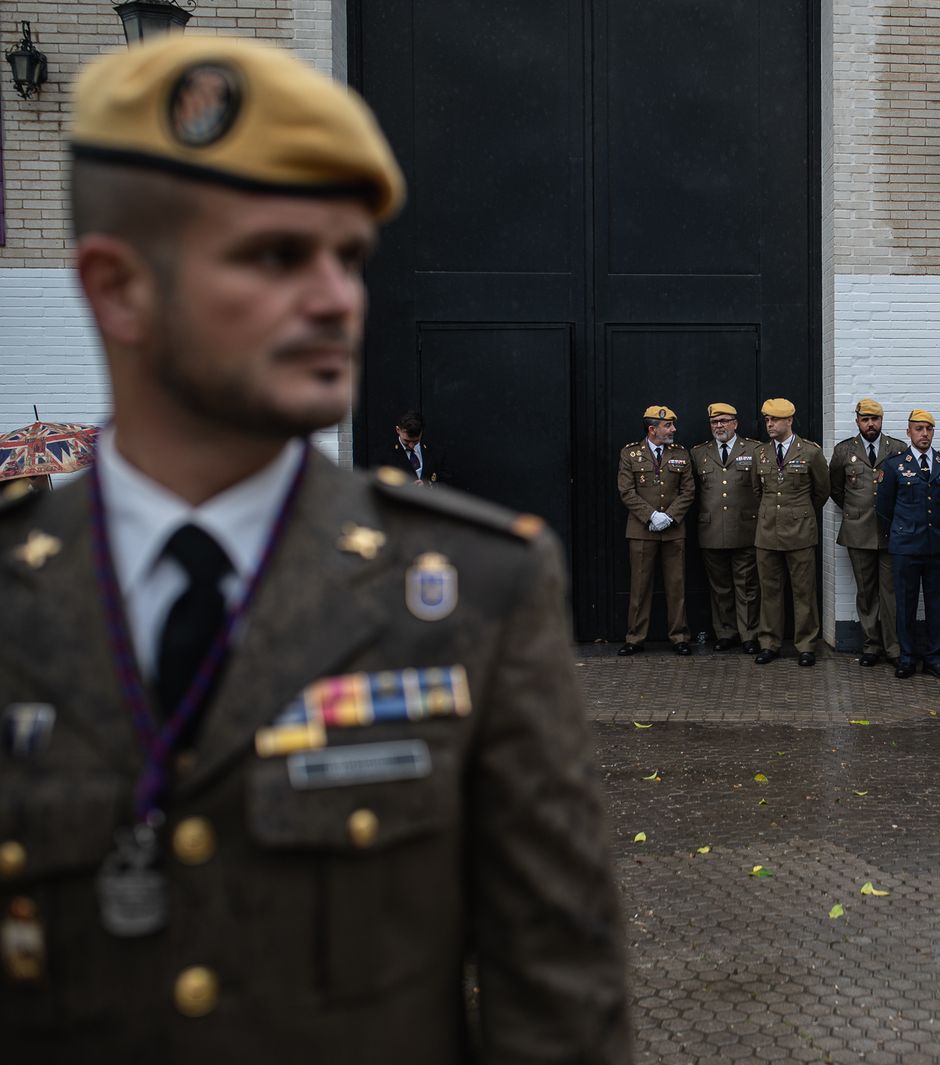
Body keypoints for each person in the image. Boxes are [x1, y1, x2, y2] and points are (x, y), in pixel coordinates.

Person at [0, 35, 630, 1061]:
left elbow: (559, 1000)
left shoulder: (476, 590)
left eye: (348, 257)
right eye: (275, 255)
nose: (339, 298)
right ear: (117, 289)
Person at [875, 409, 940, 680]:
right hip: (905, 546)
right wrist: (903, 531)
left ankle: (935, 659)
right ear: (908, 432)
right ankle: (907, 657)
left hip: (936, 546)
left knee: (937, 605)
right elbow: (884, 508)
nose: (924, 434)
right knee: (905, 605)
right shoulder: (894, 464)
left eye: (929, 429)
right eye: (919, 428)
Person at [751, 398, 829, 666]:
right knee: (769, 591)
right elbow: (757, 491)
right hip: (767, 532)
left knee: (803, 592)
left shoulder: (810, 452)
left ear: (789, 421)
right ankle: (769, 643)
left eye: (774, 419)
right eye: (767, 420)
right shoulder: (760, 453)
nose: (770, 424)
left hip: (800, 533)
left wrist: (800, 512)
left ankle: (806, 645)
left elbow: (822, 491)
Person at [829, 398, 907, 667]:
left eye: (875, 419)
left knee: (891, 593)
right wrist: (856, 511)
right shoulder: (843, 451)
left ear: (881, 421)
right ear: (858, 421)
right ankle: (871, 645)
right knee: (866, 592)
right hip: (858, 530)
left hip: (889, 532)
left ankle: (893, 647)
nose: (870, 424)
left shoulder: (897, 448)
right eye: (865, 419)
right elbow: (836, 489)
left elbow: (903, 489)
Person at [616, 404, 696, 656]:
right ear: (652, 429)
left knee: (676, 585)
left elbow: (688, 491)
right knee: (640, 586)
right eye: (667, 425)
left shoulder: (681, 454)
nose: (673, 429)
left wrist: (669, 517)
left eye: (672, 424)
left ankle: (679, 636)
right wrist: (651, 515)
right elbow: (626, 491)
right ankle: (635, 637)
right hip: (641, 529)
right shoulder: (630, 454)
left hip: (673, 530)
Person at [691, 402, 761, 654]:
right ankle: (725, 632)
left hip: (745, 528)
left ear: (735, 423)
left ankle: (749, 634)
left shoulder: (753, 449)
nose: (718, 426)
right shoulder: (699, 453)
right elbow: (694, 492)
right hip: (711, 530)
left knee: (747, 586)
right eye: (714, 422)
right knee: (720, 587)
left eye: (723, 421)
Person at [383, 409, 444, 486]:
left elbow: (447, 482)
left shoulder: (435, 451)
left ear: (421, 432)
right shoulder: (385, 454)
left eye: (416, 441)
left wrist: (429, 485)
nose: (411, 445)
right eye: (406, 441)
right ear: (398, 430)